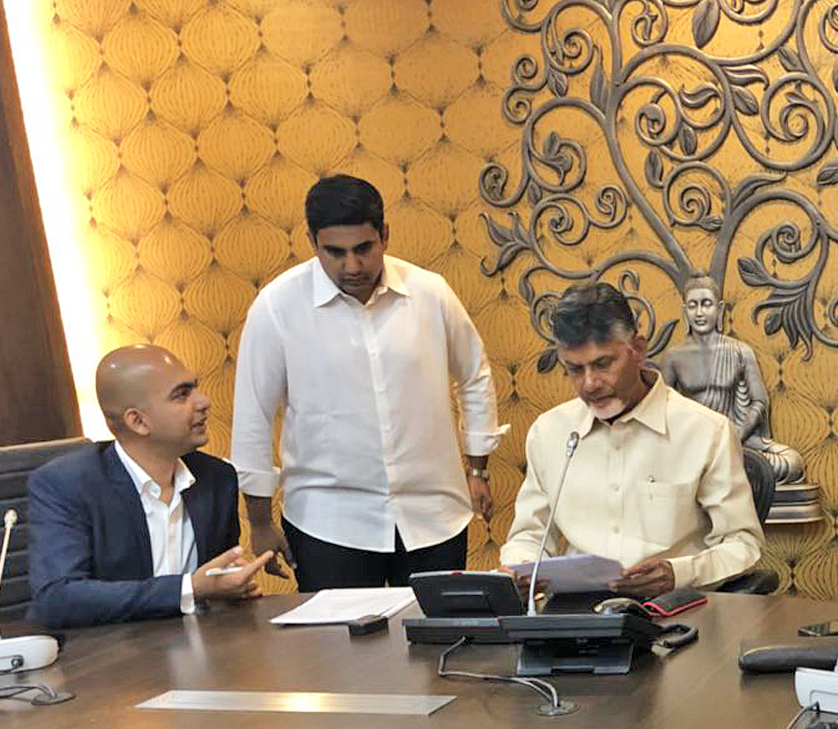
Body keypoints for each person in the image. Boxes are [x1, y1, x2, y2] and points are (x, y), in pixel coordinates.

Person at [230, 175, 507, 591]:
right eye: (335, 252)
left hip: (434, 513)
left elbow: (474, 375)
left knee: (436, 631)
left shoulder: (430, 293)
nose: (352, 266)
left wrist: (478, 468)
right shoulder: (277, 306)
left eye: (364, 248)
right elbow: (253, 414)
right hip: (328, 522)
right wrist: (259, 521)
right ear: (312, 242)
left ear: (384, 235)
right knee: (336, 636)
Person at [499, 281, 762, 597]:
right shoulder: (549, 433)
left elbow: (743, 545)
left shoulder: (706, 431)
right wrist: (522, 567)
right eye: (574, 369)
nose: (590, 384)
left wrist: (677, 574)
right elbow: (529, 536)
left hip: (671, 608)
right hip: (573, 611)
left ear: (638, 349)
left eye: (602, 364)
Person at [27, 345, 271, 628]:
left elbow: (216, 582)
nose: (204, 402)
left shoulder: (217, 477)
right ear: (138, 421)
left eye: (196, 388)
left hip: (202, 643)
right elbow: (57, 599)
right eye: (182, 394)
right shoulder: (66, 485)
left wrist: (232, 584)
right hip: (109, 649)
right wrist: (190, 589)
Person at [658, 274, 805, 482]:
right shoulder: (674, 357)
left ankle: (720, 471)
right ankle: (722, 470)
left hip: (736, 438)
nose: (699, 312)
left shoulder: (739, 351)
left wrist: (736, 435)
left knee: (792, 462)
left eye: (706, 304)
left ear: (720, 309)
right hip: (694, 441)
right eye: (692, 305)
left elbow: (759, 402)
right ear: (685, 312)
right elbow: (663, 409)